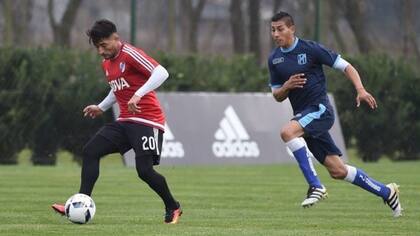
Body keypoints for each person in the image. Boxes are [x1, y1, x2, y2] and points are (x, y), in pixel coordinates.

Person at [268, 12, 402, 217]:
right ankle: (387, 192)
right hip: (305, 119)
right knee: (338, 171)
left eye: (280, 29)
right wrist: (286, 86)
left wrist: (361, 89)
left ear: (292, 29)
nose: (276, 34)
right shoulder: (274, 59)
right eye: (273, 30)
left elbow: (346, 66)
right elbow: (277, 96)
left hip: (319, 110)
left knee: (287, 132)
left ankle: (315, 186)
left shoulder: (311, 49)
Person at [52, 19, 182, 224]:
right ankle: (79, 203)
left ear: (116, 38)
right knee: (90, 151)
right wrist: (101, 107)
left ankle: (173, 206)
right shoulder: (107, 63)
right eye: (97, 47)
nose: (100, 51)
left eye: (103, 45)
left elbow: (161, 72)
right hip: (125, 121)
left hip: (148, 120)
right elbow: (118, 88)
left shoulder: (130, 54)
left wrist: (139, 94)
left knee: (145, 171)